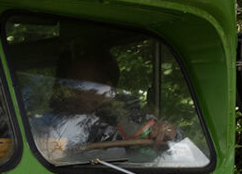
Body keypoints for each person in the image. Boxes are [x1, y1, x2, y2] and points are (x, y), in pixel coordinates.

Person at [31, 52, 178, 164]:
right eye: (69, 85)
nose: (71, 93)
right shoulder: (52, 120)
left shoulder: (132, 120)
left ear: (106, 88)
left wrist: (167, 132)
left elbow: (173, 145)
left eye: (80, 86)